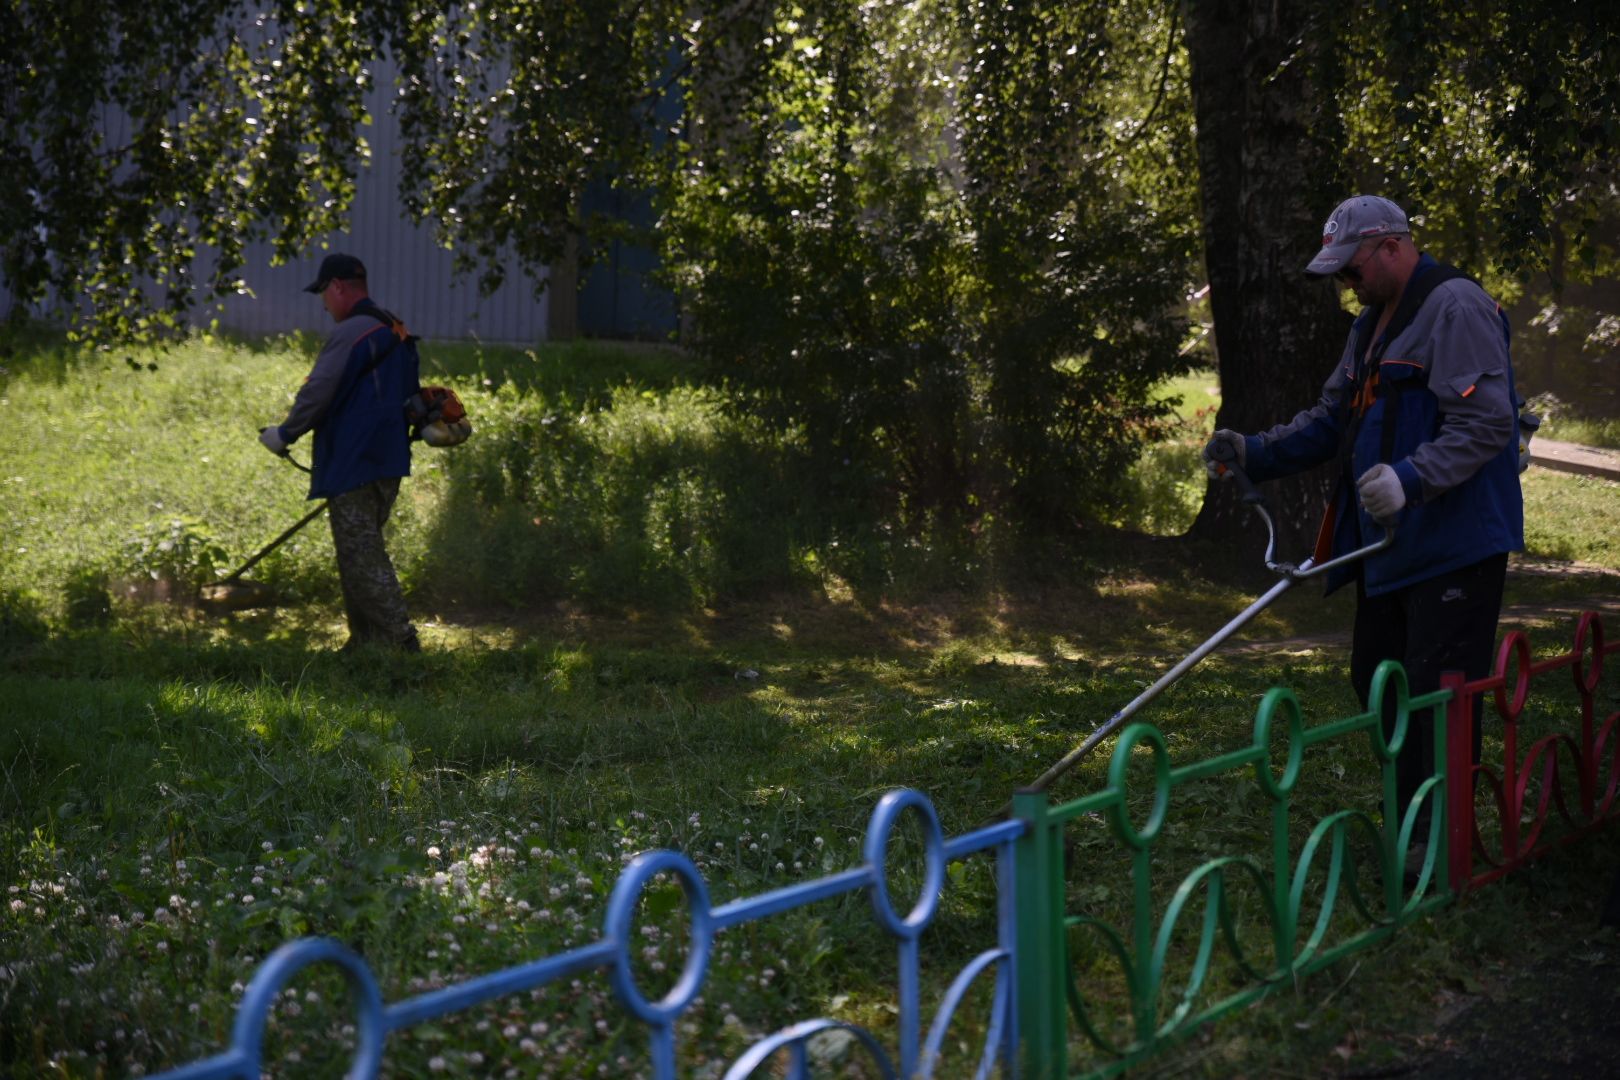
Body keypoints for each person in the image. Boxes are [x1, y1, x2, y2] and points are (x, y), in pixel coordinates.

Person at [1202, 195, 1524, 862]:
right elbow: (1332, 419)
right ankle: (1413, 826)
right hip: (1392, 549)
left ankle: (1438, 851)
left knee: (1438, 695)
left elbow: (1488, 422)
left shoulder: (1456, 307)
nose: (1347, 286)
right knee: (1378, 679)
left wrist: (1410, 477)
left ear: (1390, 246)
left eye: (1351, 271)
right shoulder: (1371, 327)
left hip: (1455, 544)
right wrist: (1256, 449)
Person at [259, 253, 421, 651]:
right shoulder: (395, 328)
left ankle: (402, 643)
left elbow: (319, 391)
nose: (323, 304)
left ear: (337, 286)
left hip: (355, 460)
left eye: (323, 294)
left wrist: (285, 434)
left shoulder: (352, 332)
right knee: (357, 553)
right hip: (388, 460)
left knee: (363, 558)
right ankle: (365, 643)